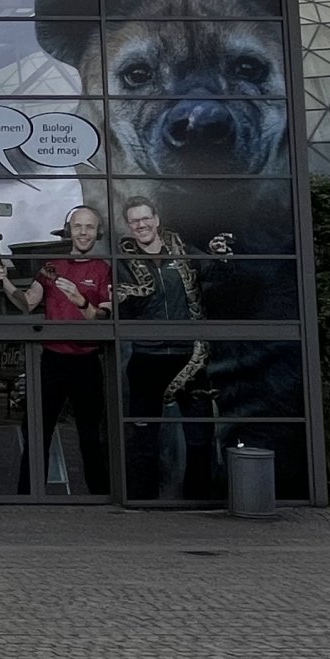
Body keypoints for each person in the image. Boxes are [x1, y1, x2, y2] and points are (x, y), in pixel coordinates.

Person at [0, 204, 111, 495]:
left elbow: (105, 317)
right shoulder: (51, 266)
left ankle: (100, 498)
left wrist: (81, 301)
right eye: (78, 226)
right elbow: (27, 302)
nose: (83, 232)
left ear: (97, 232)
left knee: (90, 435)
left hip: (87, 361)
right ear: (68, 230)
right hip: (52, 360)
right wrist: (4, 281)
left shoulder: (104, 268)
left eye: (89, 227)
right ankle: (29, 497)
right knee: (35, 431)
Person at [116, 197, 214, 500]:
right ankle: (143, 502)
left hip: (189, 356)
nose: (141, 225)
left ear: (156, 220)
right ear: (129, 226)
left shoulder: (181, 250)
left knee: (199, 437)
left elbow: (213, 273)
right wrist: (124, 298)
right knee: (144, 437)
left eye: (146, 218)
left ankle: (198, 501)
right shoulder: (123, 260)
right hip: (147, 358)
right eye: (134, 221)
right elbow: (123, 307)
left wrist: (221, 256)